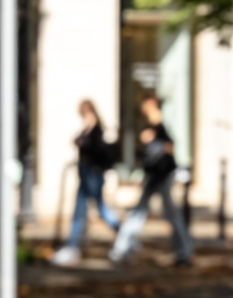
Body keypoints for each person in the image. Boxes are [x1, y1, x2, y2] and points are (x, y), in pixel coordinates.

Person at [112, 93, 192, 266]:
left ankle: (184, 251)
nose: (142, 107)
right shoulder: (152, 125)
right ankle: (123, 249)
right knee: (144, 213)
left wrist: (153, 141)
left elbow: (169, 147)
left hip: (161, 175)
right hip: (155, 175)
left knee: (162, 214)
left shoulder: (158, 126)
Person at [54, 98, 122, 266]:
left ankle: (122, 233)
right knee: (79, 210)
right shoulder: (86, 130)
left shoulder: (97, 131)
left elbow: (95, 150)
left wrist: (84, 144)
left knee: (100, 209)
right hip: (84, 174)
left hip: (93, 174)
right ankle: (72, 246)